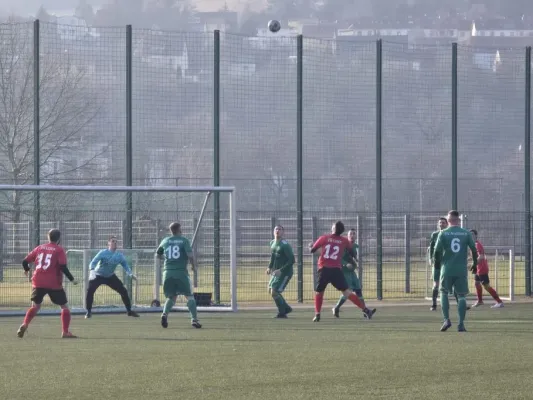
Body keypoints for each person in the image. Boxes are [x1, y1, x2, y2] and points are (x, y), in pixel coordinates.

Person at [309, 221, 375, 322]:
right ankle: (366, 310)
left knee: (319, 292)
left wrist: (314, 247)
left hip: (324, 269)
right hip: (336, 270)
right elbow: (352, 251)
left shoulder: (324, 238)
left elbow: (312, 250)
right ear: (342, 231)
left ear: (333, 229)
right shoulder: (344, 241)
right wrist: (353, 258)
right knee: (347, 292)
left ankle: (317, 314)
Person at [17, 229, 78, 339]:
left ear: (48, 237)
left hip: (38, 281)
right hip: (53, 283)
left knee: (35, 306)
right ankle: (65, 332)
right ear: (59, 239)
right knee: (64, 307)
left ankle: (25, 324)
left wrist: (26, 269)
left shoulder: (40, 248)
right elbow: (63, 267)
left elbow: (24, 261)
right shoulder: (59, 250)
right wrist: (72, 279)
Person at [433, 210, 478, 332]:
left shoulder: (443, 233)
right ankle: (461, 324)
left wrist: (438, 264)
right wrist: (474, 263)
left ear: (448, 221)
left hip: (447, 268)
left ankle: (446, 319)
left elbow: (436, 252)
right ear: (458, 220)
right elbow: (474, 250)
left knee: (443, 292)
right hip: (461, 270)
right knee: (462, 296)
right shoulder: (466, 233)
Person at [157, 222, 201, 329]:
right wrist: (194, 266)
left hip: (167, 273)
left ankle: (164, 314)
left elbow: (158, 255)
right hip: (181, 273)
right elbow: (190, 255)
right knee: (189, 296)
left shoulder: (165, 240)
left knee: (171, 296)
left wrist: (168, 259)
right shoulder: (184, 240)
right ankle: (194, 320)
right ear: (179, 230)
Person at [85, 236, 139, 319]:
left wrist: (130, 274)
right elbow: (93, 262)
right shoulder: (103, 252)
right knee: (90, 291)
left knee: (123, 291)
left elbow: (125, 265)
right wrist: (92, 270)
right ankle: (88, 312)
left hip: (110, 276)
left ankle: (129, 311)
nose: (115, 243)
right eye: (113, 241)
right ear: (109, 243)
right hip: (98, 275)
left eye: (116, 242)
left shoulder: (119, 255)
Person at [332, 228, 367, 319]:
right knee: (349, 290)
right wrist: (346, 264)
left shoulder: (356, 246)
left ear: (356, 236)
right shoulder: (343, 246)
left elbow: (355, 258)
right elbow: (338, 258)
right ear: (347, 236)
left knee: (359, 290)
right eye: (350, 234)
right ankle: (336, 308)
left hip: (352, 272)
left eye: (354, 234)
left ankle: (365, 311)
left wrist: (358, 264)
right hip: (344, 272)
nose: (352, 235)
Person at [469, 229, 504, 309]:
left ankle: (499, 302)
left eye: (473, 235)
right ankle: (480, 301)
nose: (471, 236)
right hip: (477, 268)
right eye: (470, 235)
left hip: (482, 268)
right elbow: (475, 257)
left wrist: (473, 265)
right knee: (477, 283)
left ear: (476, 236)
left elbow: (481, 257)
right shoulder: (472, 244)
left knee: (486, 286)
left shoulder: (477, 244)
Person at [266, 225, 294, 318]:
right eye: (276, 229)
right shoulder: (272, 243)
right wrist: (269, 267)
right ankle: (286, 308)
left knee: (275, 291)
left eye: (280, 229)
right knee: (270, 290)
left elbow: (292, 260)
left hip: (285, 273)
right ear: (273, 231)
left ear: (283, 232)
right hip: (276, 272)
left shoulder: (285, 245)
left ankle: (282, 313)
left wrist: (281, 270)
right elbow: (273, 257)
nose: (277, 230)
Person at [428, 217, 448, 311]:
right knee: (436, 284)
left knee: (448, 283)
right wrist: (430, 258)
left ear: (447, 224)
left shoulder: (449, 234)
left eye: (443, 223)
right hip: (437, 262)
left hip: (447, 262)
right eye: (440, 223)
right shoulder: (435, 234)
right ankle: (434, 304)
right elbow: (431, 247)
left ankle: (458, 303)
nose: (441, 224)